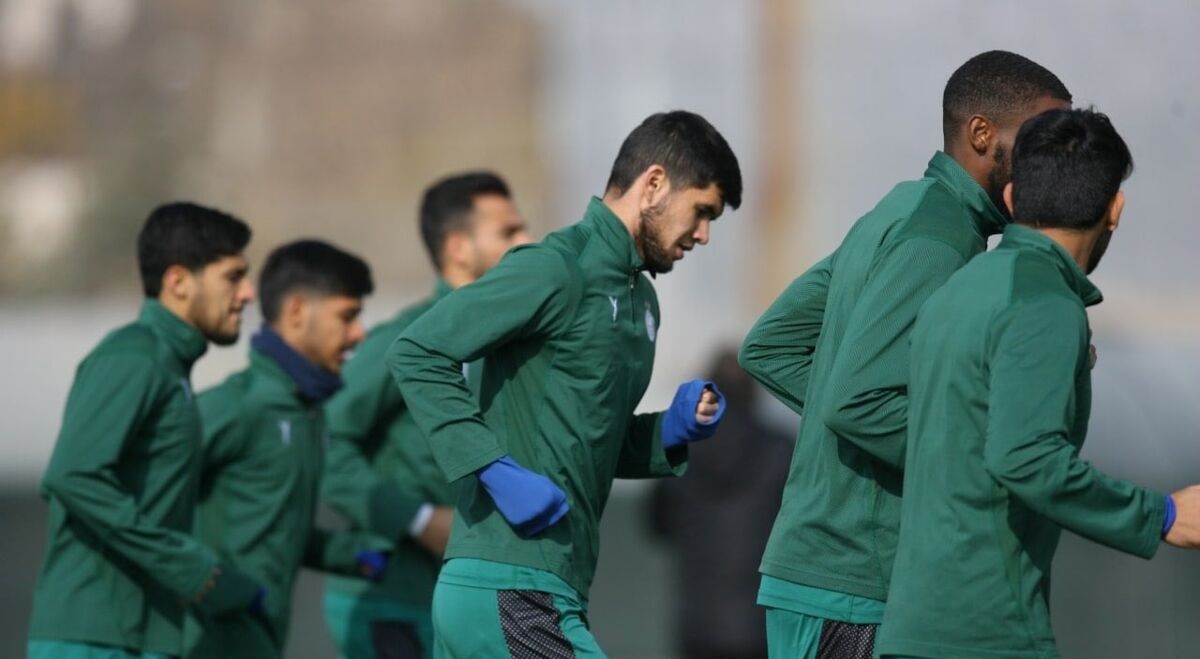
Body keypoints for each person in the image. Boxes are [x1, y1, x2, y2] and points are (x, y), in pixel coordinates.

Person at [739, 51, 1071, 658]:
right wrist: (976, 452)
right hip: (855, 582)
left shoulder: (901, 211)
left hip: (823, 574)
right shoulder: (939, 239)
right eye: (1040, 139)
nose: (1054, 162)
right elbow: (855, 402)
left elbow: (773, 346)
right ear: (981, 133)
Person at [389, 110, 741, 657]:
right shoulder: (555, 268)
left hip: (551, 588)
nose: (704, 235)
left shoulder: (643, 301)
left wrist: (668, 432)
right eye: (702, 212)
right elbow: (417, 352)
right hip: (508, 585)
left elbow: (585, 439)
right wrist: (492, 468)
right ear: (653, 184)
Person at [875, 107, 1200, 658]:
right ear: (1115, 209)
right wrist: (1162, 516)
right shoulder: (1044, 302)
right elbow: (1025, 458)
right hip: (987, 631)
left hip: (913, 626)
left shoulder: (960, 288)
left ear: (1010, 199)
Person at [28, 202, 258, 659]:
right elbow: (72, 475)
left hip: (142, 634)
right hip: (95, 640)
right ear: (178, 281)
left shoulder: (170, 366)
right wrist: (189, 566)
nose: (248, 293)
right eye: (233, 277)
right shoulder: (133, 357)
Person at [321, 171, 532, 658]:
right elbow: (322, 441)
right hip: (393, 602)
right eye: (508, 232)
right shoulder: (409, 340)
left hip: (469, 605)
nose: (527, 242)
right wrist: (416, 520)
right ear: (458, 248)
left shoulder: (510, 344)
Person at [185, 240, 387, 658]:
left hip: (261, 641)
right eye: (347, 316)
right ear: (297, 311)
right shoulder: (236, 406)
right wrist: (212, 584)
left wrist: (359, 555)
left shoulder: (308, 414)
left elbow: (272, 527)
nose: (359, 333)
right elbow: (137, 500)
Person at [648, 348, 792, 659]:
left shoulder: (680, 453)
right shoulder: (783, 450)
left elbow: (657, 525)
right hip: (763, 624)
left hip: (699, 621)